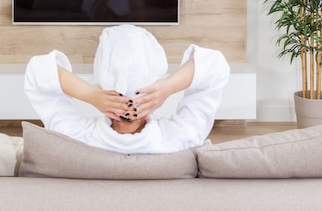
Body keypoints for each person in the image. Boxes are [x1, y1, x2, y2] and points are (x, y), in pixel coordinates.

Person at [24, 24, 230, 154]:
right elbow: (214, 65)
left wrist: (89, 94)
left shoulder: (75, 140)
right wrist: (168, 88)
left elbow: (38, 72)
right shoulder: (181, 138)